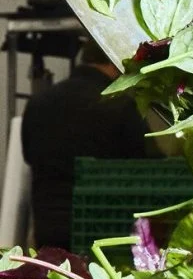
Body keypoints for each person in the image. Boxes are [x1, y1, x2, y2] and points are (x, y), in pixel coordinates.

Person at [20, 37, 155, 249]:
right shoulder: (121, 106)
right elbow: (145, 167)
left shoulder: (39, 102)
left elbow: (29, 156)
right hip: (102, 231)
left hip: (48, 228)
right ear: (116, 61)